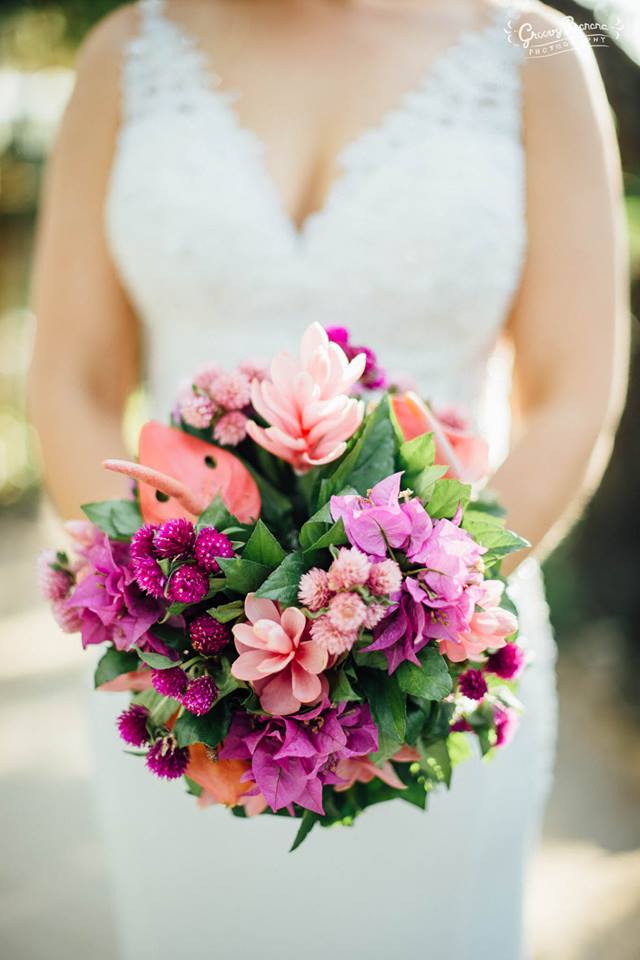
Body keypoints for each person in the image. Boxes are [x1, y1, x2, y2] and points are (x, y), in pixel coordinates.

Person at [28, 1, 628, 957]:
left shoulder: (536, 46)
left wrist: (421, 628)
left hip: (437, 671)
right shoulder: (127, 50)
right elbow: (71, 377)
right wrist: (164, 629)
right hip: (182, 685)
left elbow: (571, 391)